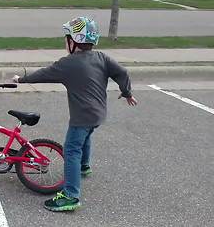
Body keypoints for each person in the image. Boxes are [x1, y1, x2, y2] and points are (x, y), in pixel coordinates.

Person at [13, 17, 138, 212]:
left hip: (83, 116)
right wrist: (127, 91)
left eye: (67, 38)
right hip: (98, 114)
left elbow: (44, 74)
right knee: (85, 137)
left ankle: (71, 195)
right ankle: (84, 167)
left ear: (74, 41)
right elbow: (122, 72)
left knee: (71, 149)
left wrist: (21, 79)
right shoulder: (101, 57)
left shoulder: (68, 63)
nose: (65, 42)